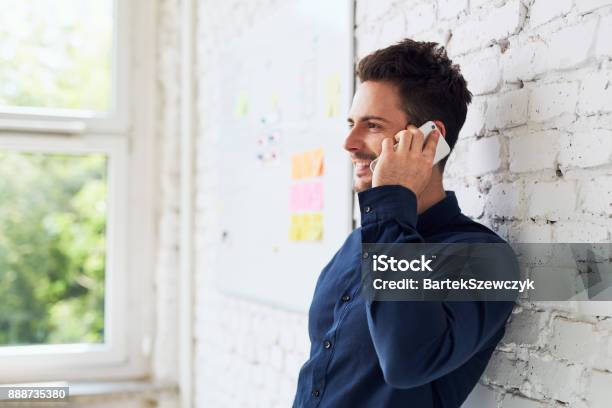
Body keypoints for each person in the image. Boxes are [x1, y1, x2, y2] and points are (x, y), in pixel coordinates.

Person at [292, 39, 516, 408]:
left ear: (430, 139)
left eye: (372, 125)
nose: (349, 142)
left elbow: (406, 361)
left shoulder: (483, 259)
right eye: (351, 124)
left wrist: (393, 197)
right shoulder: (359, 242)